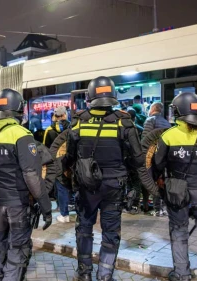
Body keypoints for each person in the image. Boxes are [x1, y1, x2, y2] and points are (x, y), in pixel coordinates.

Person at [63, 76, 144, 281]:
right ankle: (105, 274)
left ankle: (84, 274)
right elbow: (138, 159)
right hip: (114, 185)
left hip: (86, 185)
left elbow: (69, 156)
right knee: (110, 232)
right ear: (113, 95)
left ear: (90, 96)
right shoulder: (124, 121)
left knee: (84, 229)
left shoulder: (78, 120)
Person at [142, 92, 197, 281]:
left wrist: (159, 186)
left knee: (179, 231)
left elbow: (157, 165)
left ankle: (181, 274)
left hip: (176, 192)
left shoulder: (169, 136)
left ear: (178, 111)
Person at [0, 89, 52, 281]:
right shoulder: (22, 135)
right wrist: (46, 206)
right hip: (16, 203)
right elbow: (31, 176)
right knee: (17, 246)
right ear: (19, 109)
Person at [141, 102, 171, 216]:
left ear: (153, 109)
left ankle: (156, 208)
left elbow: (145, 139)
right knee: (162, 180)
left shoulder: (150, 120)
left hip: (152, 155)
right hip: (165, 156)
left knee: (152, 181)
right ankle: (164, 207)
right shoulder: (166, 122)